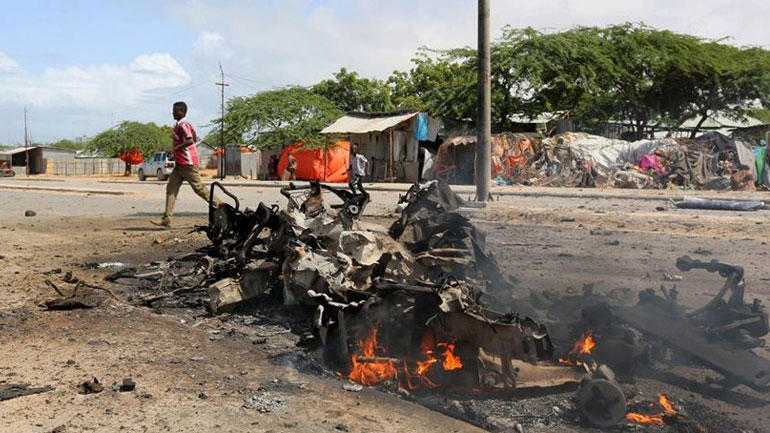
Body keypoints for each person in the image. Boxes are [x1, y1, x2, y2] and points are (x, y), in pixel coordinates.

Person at [151, 101, 219, 228]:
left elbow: (190, 140)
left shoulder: (183, 124)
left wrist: (174, 149)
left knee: (199, 189)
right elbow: (193, 136)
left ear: (181, 111)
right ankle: (166, 219)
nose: (172, 112)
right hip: (180, 164)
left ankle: (222, 207)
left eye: (175, 110)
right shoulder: (180, 125)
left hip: (188, 163)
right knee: (171, 189)